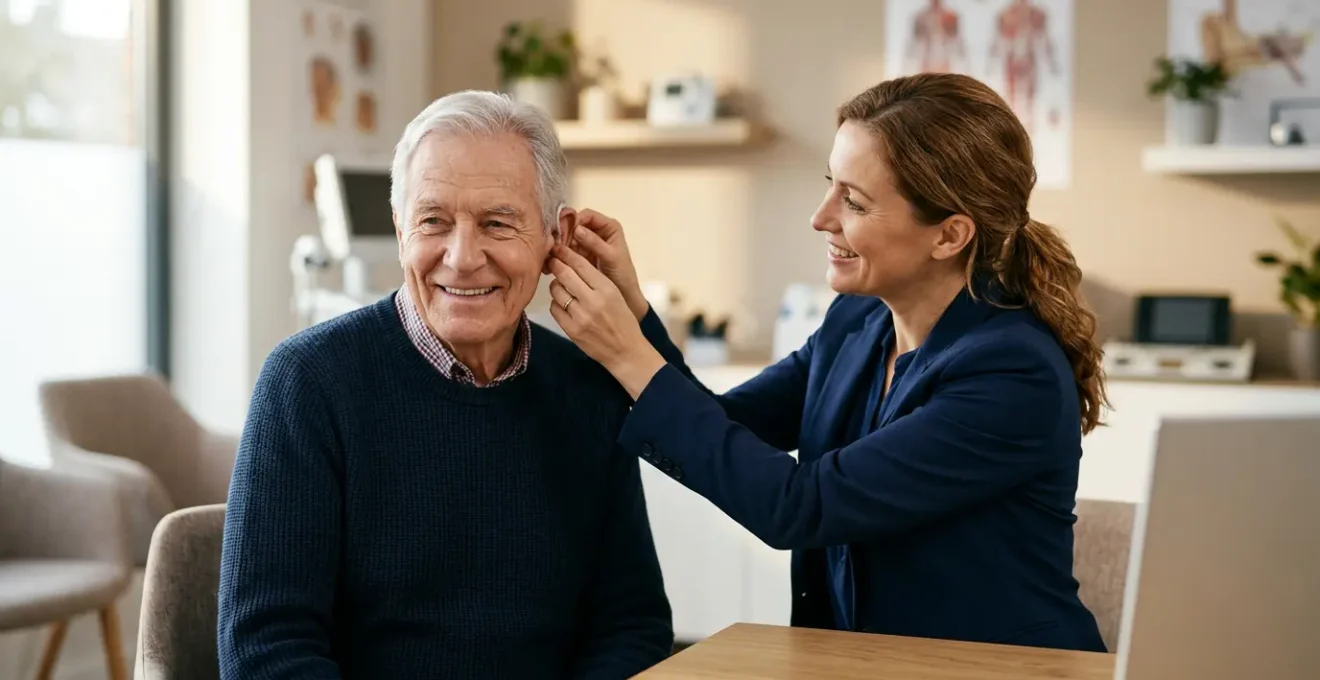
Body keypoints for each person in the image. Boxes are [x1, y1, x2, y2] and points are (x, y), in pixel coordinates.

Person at [546, 73, 1108, 652]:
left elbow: (799, 505)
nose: (821, 217)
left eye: (855, 202)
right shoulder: (855, 325)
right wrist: (633, 307)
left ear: (950, 235)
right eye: (830, 185)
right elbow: (723, 423)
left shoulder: (1012, 374)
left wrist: (628, 354)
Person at [218, 90, 673, 679]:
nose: (461, 257)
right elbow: (266, 652)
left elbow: (631, 625)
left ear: (553, 238)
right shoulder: (306, 385)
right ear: (400, 229)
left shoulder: (588, 388)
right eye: (433, 220)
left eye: (497, 223)